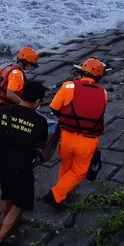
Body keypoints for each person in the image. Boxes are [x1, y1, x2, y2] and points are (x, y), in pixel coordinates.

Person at [0, 80, 48, 246]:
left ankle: (6, 224)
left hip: (2, 163)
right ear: (38, 101)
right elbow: (43, 146)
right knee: (20, 204)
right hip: (21, 168)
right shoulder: (40, 121)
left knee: (6, 195)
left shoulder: (4, 112)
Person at [42, 58, 107, 211]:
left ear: (81, 72)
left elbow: (54, 107)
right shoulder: (103, 93)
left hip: (67, 137)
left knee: (66, 165)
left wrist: (67, 118)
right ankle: (55, 194)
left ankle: (63, 193)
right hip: (87, 140)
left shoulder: (68, 86)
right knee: (79, 171)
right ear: (98, 77)